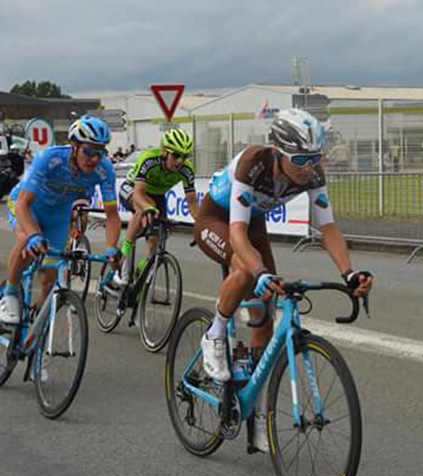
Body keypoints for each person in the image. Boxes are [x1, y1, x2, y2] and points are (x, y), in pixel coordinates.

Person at [193, 108, 374, 451]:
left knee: (266, 310)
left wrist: (349, 273)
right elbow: (237, 232)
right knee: (248, 271)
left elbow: (328, 228)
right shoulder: (255, 162)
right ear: (279, 153)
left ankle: (257, 413)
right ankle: (214, 333)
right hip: (217, 219)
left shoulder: (313, 174)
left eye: (315, 157)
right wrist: (259, 272)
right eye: (301, 159)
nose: (309, 167)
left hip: (252, 222)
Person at [0, 116, 122, 323]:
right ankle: (9, 294)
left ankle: (33, 329)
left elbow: (112, 215)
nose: (94, 158)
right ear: (74, 146)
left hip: (58, 216)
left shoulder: (104, 170)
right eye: (88, 151)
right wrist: (34, 235)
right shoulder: (50, 158)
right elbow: (22, 205)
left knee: (49, 279)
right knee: (26, 243)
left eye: (100, 152)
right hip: (27, 206)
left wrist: (111, 247)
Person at [112, 129, 198, 286]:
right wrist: (147, 207)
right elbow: (138, 194)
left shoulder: (187, 170)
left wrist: (201, 224)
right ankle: (124, 257)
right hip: (133, 189)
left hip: (157, 196)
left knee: (155, 242)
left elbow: (192, 203)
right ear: (165, 152)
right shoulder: (150, 159)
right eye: (176, 155)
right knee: (143, 209)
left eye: (184, 157)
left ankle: (141, 273)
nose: (180, 161)